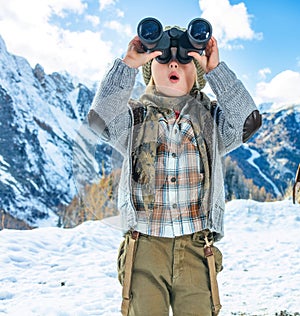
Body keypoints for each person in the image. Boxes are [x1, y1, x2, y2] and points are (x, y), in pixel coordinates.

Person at [88, 19, 262, 316]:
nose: (174, 64)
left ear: (199, 71)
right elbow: (100, 120)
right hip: (143, 247)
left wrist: (217, 70)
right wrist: (127, 65)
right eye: (163, 57)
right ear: (150, 69)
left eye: (185, 59)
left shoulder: (212, 120)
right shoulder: (133, 119)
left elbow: (248, 121)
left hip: (196, 246)